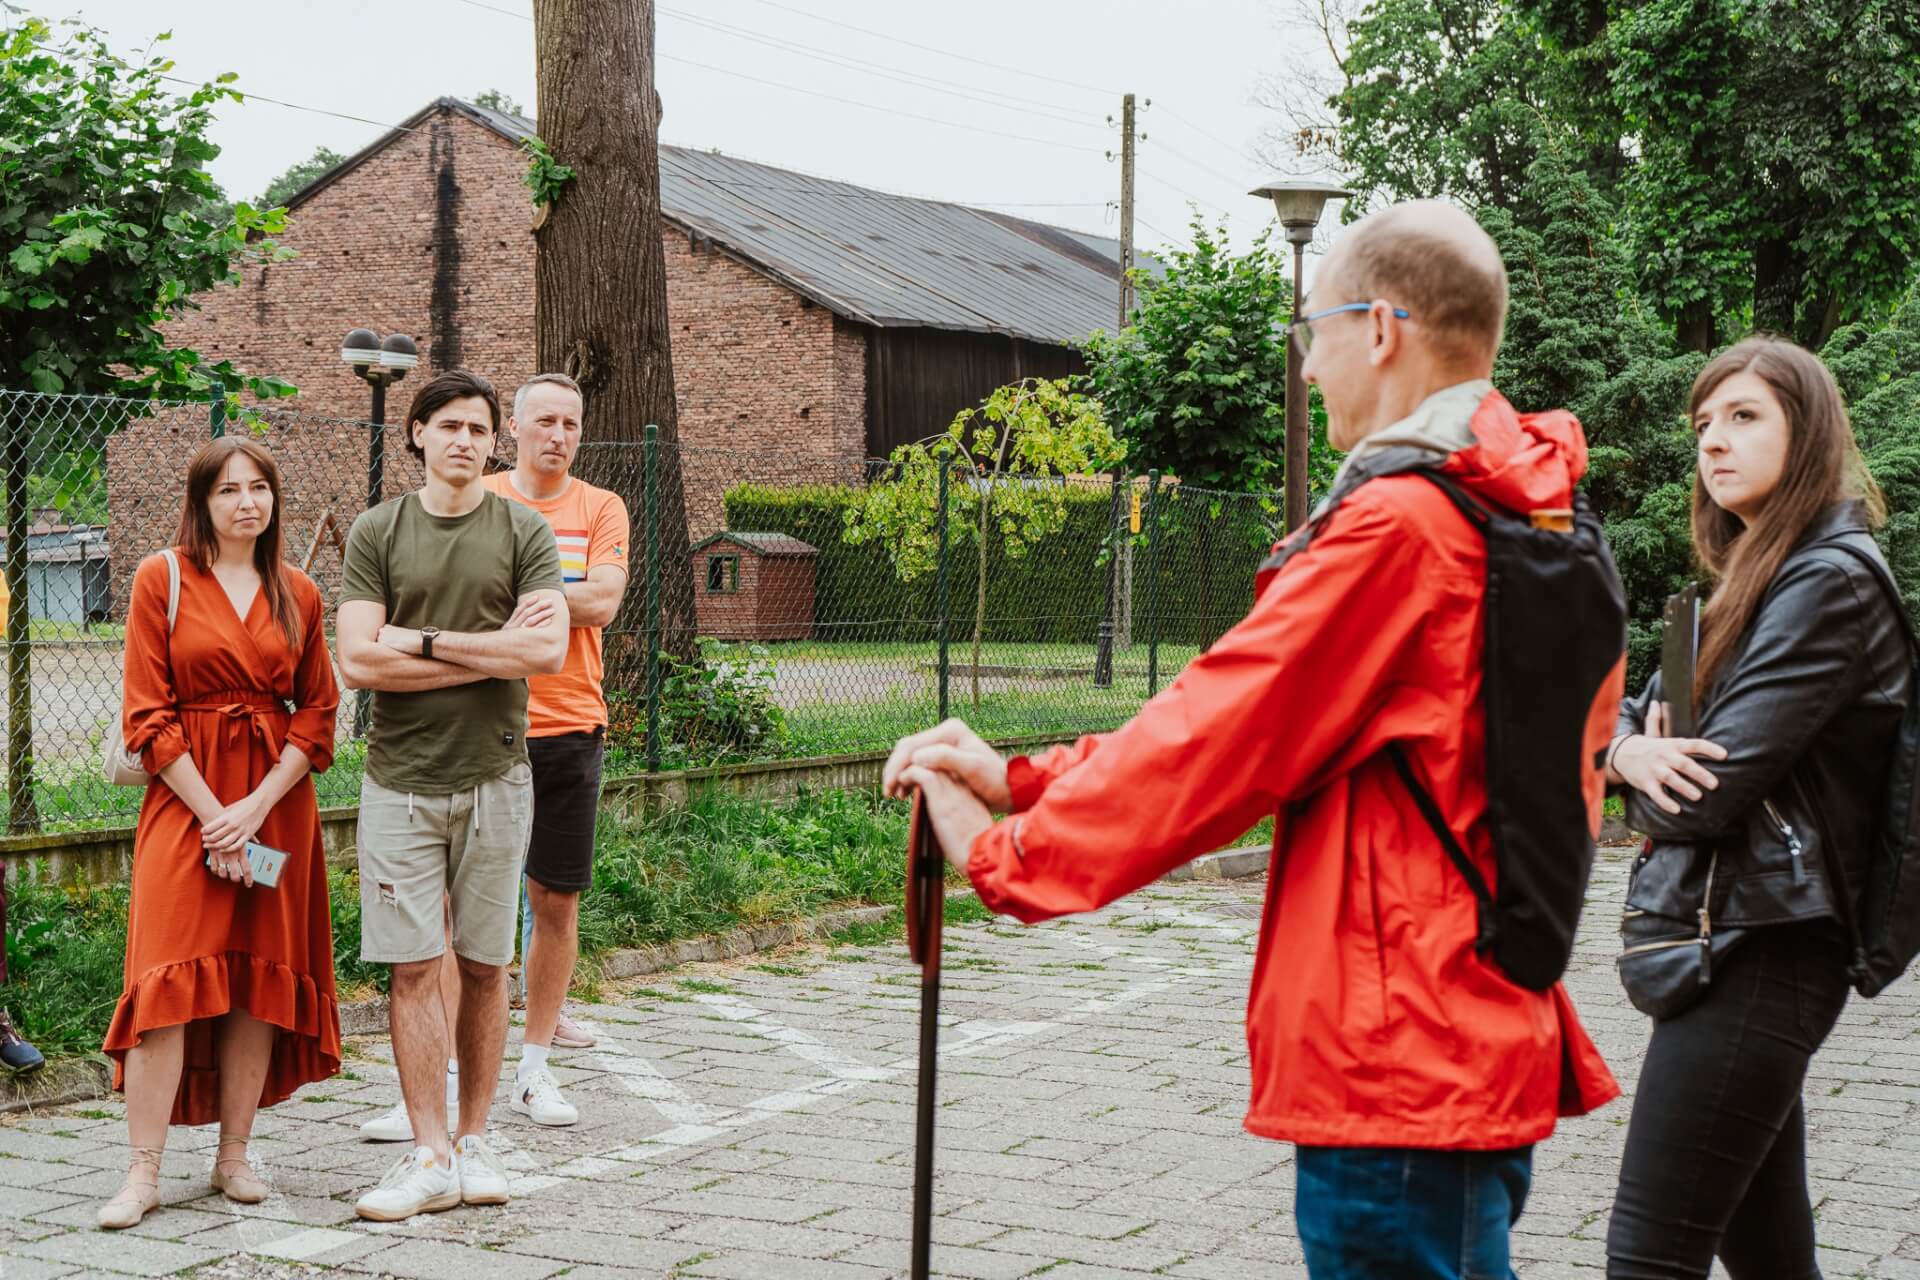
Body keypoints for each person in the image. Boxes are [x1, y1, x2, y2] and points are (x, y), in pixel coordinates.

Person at [888, 200, 1620, 1279]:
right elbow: (1249, 719)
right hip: (1452, 1032)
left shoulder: (1403, 530)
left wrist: (1004, 849)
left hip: (1399, 1064)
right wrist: (1021, 778)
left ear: (1380, 328)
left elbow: (1216, 737)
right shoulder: (1515, 511)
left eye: (1310, 332)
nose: (1309, 368)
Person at [1602, 337, 1908, 1278]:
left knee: (1650, 1258)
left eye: (1744, 418)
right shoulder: (1751, 581)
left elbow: (1704, 795)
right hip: (1733, 933)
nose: (1714, 443)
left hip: (1766, 944)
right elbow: (1627, 715)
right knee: (1772, 1258)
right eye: (1703, 424)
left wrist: (1634, 760)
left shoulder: (1828, 582)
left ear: (1807, 431)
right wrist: (1628, 749)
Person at [337, 369, 567, 1222]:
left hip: (497, 778)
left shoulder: (522, 528)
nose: (465, 441)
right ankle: (428, 1151)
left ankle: (475, 1140)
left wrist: (421, 640)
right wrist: (488, 645)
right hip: (398, 781)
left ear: (491, 440)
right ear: (417, 436)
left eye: (478, 428)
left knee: (483, 966)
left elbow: (542, 656)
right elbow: (358, 661)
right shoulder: (378, 531)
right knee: (410, 969)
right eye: (449, 427)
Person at [99, 437, 342, 1230]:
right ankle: (142, 1173)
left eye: (261, 487)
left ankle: (234, 1155)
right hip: (185, 807)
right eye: (229, 489)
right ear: (201, 502)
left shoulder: (299, 591)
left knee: (257, 980)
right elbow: (147, 712)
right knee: (166, 982)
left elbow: (318, 712)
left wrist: (255, 809)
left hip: (275, 810)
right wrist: (215, 817)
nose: (248, 502)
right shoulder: (160, 578)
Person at [484, 372, 630, 1126]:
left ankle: (535, 1070)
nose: (558, 436)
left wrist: (516, 593)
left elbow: (603, 602)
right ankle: (452, 1074)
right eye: (544, 421)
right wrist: (557, 593)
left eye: (570, 424)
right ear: (514, 427)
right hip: (484, 724)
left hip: (571, 723)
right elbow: (455, 597)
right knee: (465, 909)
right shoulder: (482, 500)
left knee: (556, 900)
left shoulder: (601, 507)